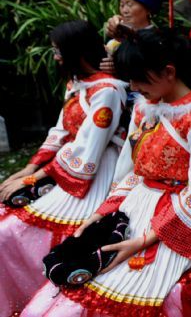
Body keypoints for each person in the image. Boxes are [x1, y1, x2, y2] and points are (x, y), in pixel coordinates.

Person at [22, 29, 191, 316]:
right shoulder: (144, 109)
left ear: (168, 72)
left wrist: (143, 241)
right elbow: (130, 172)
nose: (132, 85)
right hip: (133, 205)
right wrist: (101, 213)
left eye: (139, 78)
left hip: (172, 218)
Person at [0, 20, 128, 315]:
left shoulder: (109, 91)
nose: (55, 56)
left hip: (93, 172)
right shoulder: (76, 85)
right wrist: (25, 170)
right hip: (66, 167)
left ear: (75, 51)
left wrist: (33, 176)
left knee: (13, 231)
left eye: (58, 50)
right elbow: (59, 132)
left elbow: (88, 147)